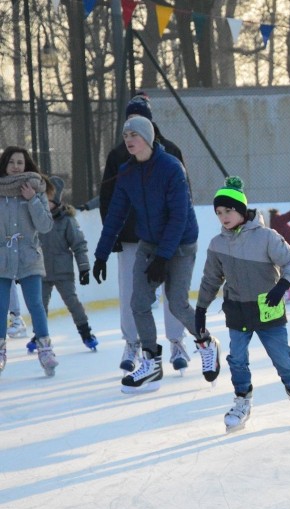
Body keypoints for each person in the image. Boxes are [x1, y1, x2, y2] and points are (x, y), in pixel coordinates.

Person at [93, 116, 221, 394]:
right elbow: (116, 214)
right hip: (150, 244)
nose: (128, 139)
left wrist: (163, 258)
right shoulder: (127, 172)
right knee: (138, 303)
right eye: (125, 134)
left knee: (177, 303)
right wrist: (101, 254)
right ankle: (152, 362)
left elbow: (179, 216)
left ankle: (206, 342)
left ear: (147, 138)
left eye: (134, 134)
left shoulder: (171, 168)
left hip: (181, 244)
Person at [195, 177, 290, 432]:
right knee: (237, 360)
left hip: (268, 308)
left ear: (242, 210)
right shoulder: (217, 244)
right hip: (237, 311)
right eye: (219, 212)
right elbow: (211, 280)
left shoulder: (266, 237)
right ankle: (242, 400)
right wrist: (200, 310)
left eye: (229, 210)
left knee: (283, 359)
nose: (223, 216)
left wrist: (281, 287)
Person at [99, 92, 192, 374]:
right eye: (129, 119)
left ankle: (177, 341)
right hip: (130, 236)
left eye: (139, 119)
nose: (132, 128)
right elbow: (109, 198)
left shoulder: (171, 152)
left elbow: (183, 197)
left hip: (165, 237)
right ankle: (133, 343)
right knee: (132, 292)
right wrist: (110, 238)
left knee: (173, 292)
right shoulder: (118, 156)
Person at [0, 146, 59, 376]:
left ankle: (45, 349)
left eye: (20, 163)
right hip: (3, 256)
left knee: (36, 304)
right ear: (5, 164)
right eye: (12, 162)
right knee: (1, 306)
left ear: (27, 166)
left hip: (28, 254)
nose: (16, 166)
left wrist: (32, 199)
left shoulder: (36, 189)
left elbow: (45, 226)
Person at [25, 176, 98, 353]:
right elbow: (26, 245)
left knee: (73, 303)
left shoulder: (66, 220)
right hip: (40, 271)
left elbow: (79, 245)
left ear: (56, 202)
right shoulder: (35, 219)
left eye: (48, 201)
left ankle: (86, 333)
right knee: (39, 306)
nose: (45, 204)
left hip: (63, 272)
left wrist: (84, 268)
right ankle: (39, 335)